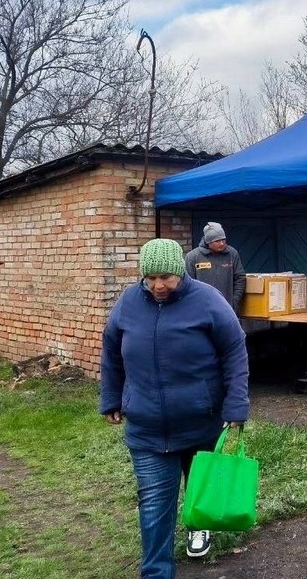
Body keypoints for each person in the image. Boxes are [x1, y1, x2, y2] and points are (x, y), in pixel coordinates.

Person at [100, 238, 250, 575]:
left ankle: (199, 527)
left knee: (198, 488)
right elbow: (110, 348)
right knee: (154, 505)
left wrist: (236, 407)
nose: (158, 286)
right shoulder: (128, 302)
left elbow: (234, 352)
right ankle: (156, 572)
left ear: (180, 272)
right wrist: (111, 396)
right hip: (147, 428)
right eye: (150, 278)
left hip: (201, 422)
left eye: (166, 277)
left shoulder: (207, 300)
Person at [185, 222, 246, 312]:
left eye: (223, 240)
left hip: (227, 307)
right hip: (201, 309)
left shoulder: (232, 253)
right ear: (208, 242)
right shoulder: (193, 256)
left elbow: (240, 278)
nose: (221, 243)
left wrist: (234, 300)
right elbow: (187, 283)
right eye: (217, 241)